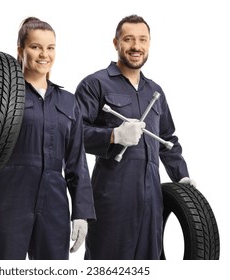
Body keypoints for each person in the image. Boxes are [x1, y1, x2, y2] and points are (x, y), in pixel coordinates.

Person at [0, 17, 96, 260]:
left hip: (53, 203)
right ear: (20, 50)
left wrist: (81, 212)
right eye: (35, 47)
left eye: (50, 47)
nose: (44, 54)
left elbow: (77, 161)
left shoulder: (68, 101)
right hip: (8, 198)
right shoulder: (4, 95)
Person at [74, 14, 196, 260]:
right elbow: (73, 136)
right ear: (116, 42)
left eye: (142, 40)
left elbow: (167, 138)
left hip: (152, 201)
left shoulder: (155, 91)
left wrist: (181, 175)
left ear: (149, 43)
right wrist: (113, 135)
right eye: (128, 39)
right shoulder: (95, 84)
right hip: (112, 198)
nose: (136, 46)